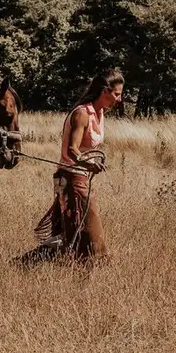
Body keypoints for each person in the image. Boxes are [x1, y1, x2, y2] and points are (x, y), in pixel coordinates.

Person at [28, 69, 123, 264]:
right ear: (105, 91)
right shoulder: (82, 114)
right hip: (70, 177)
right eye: (117, 94)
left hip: (80, 177)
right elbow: (72, 150)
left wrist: (91, 164)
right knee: (88, 229)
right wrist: (88, 163)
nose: (119, 99)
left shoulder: (100, 113)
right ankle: (92, 264)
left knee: (69, 230)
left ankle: (33, 264)